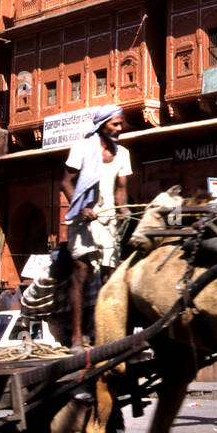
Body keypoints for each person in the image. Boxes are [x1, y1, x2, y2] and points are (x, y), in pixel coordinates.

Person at [60, 104, 132, 347]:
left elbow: (121, 190)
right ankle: (77, 336)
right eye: (115, 124)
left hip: (108, 222)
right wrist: (81, 209)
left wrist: (123, 210)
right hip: (83, 220)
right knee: (81, 274)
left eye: (121, 123)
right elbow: (66, 183)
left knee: (108, 278)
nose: (119, 128)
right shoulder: (82, 148)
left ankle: (102, 332)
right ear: (102, 126)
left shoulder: (122, 153)